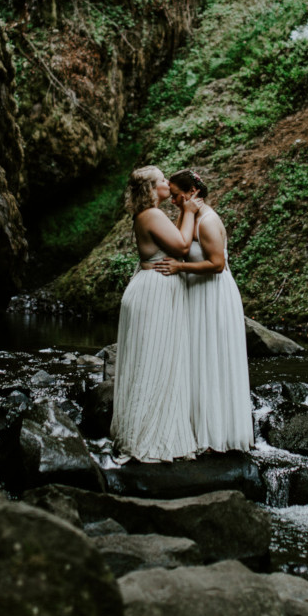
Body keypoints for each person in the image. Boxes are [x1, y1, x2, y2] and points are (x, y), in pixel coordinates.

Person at [154, 169, 255, 453]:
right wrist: (184, 211)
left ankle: (218, 435)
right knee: (197, 360)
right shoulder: (191, 216)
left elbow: (217, 264)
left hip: (214, 296)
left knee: (213, 359)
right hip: (197, 296)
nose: (172, 200)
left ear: (192, 192)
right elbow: (179, 244)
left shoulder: (208, 221)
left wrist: (180, 268)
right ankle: (197, 429)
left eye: (176, 195)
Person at [111, 165, 201, 462]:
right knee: (156, 361)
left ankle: (146, 430)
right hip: (154, 293)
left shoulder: (149, 215)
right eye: (163, 179)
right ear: (151, 189)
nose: (167, 182)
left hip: (152, 288)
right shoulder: (151, 215)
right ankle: (149, 437)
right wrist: (188, 211)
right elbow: (183, 246)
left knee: (154, 361)